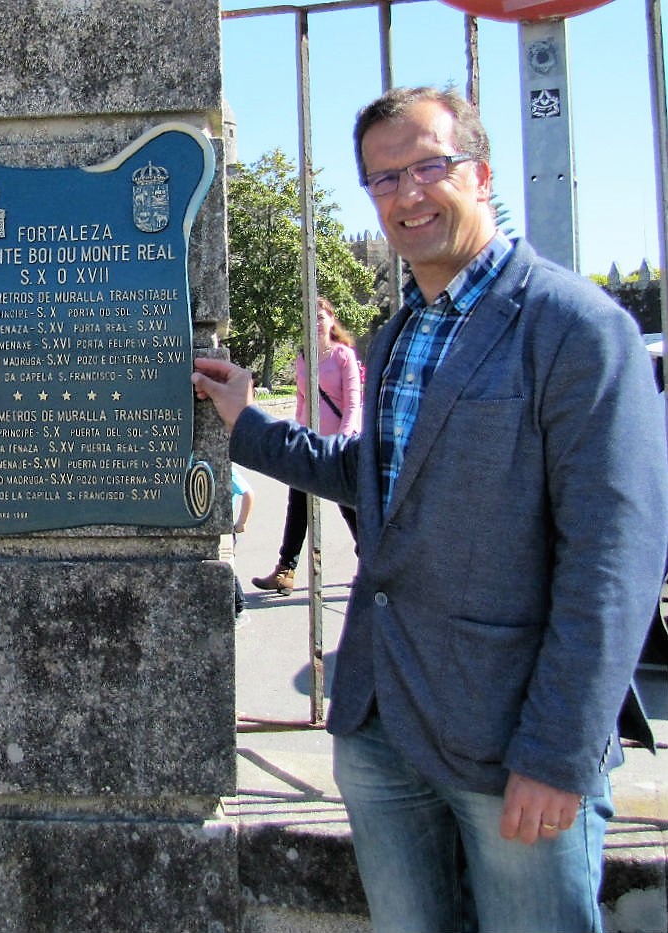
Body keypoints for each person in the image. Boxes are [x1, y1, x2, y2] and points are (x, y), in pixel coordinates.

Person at [192, 85, 668, 932]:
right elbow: (381, 476)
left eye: (428, 166)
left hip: (510, 738)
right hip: (380, 724)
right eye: (383, 179)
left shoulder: (577, 328)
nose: (407, 193)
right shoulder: (400, 330)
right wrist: (247, 425)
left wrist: (557, 751)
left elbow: (615, 559)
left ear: (478, 174)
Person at [252, 297, 361, 595]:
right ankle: (286, 570)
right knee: (298, 507)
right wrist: (297, 436)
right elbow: (302, 402)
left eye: (321, 316)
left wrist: (343, 439)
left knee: (350, 508)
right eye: (310, 317)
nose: (316, 322)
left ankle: (373, 564)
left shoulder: (342, 356)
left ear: (331, 320)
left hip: (338, 447)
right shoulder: (303, 357)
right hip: (309, 444)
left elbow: (353, 402)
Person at [230, 465, 254, 615]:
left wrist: (242, 522)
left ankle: (239, 605)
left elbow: (248, 493)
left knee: (226, 564)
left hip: (226, 528)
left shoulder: (228, 470)